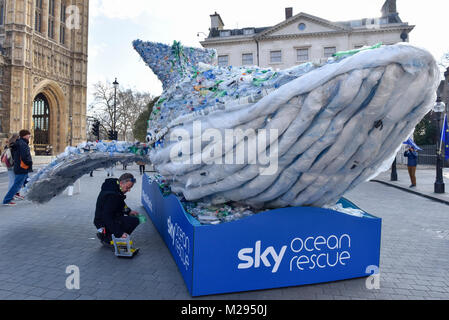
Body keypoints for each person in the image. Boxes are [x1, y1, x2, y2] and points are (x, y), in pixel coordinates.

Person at [94, 173, 140, 246]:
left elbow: (121, 203)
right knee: (134, 221)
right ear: (121, 183)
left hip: (106, 219)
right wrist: (119, 233)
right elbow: (107, 217)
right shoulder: (112, 196)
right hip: (102, 223)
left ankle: (109, 235)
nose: (129, 190)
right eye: (127, 187)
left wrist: (129, 211)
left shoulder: (115, 186)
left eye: (130, 188)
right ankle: (108, 238)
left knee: (133, 218)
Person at [2, 130, 33, 206]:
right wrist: (29, 163)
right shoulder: (22, 144)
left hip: (21, 167)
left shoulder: (20, 143)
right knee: (17, 185)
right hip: (22, 167)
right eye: (28, 135)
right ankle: (7, 200)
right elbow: (24, 157)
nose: (29, 137)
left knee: (27, 183)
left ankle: (33, 196)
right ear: (24, 135)